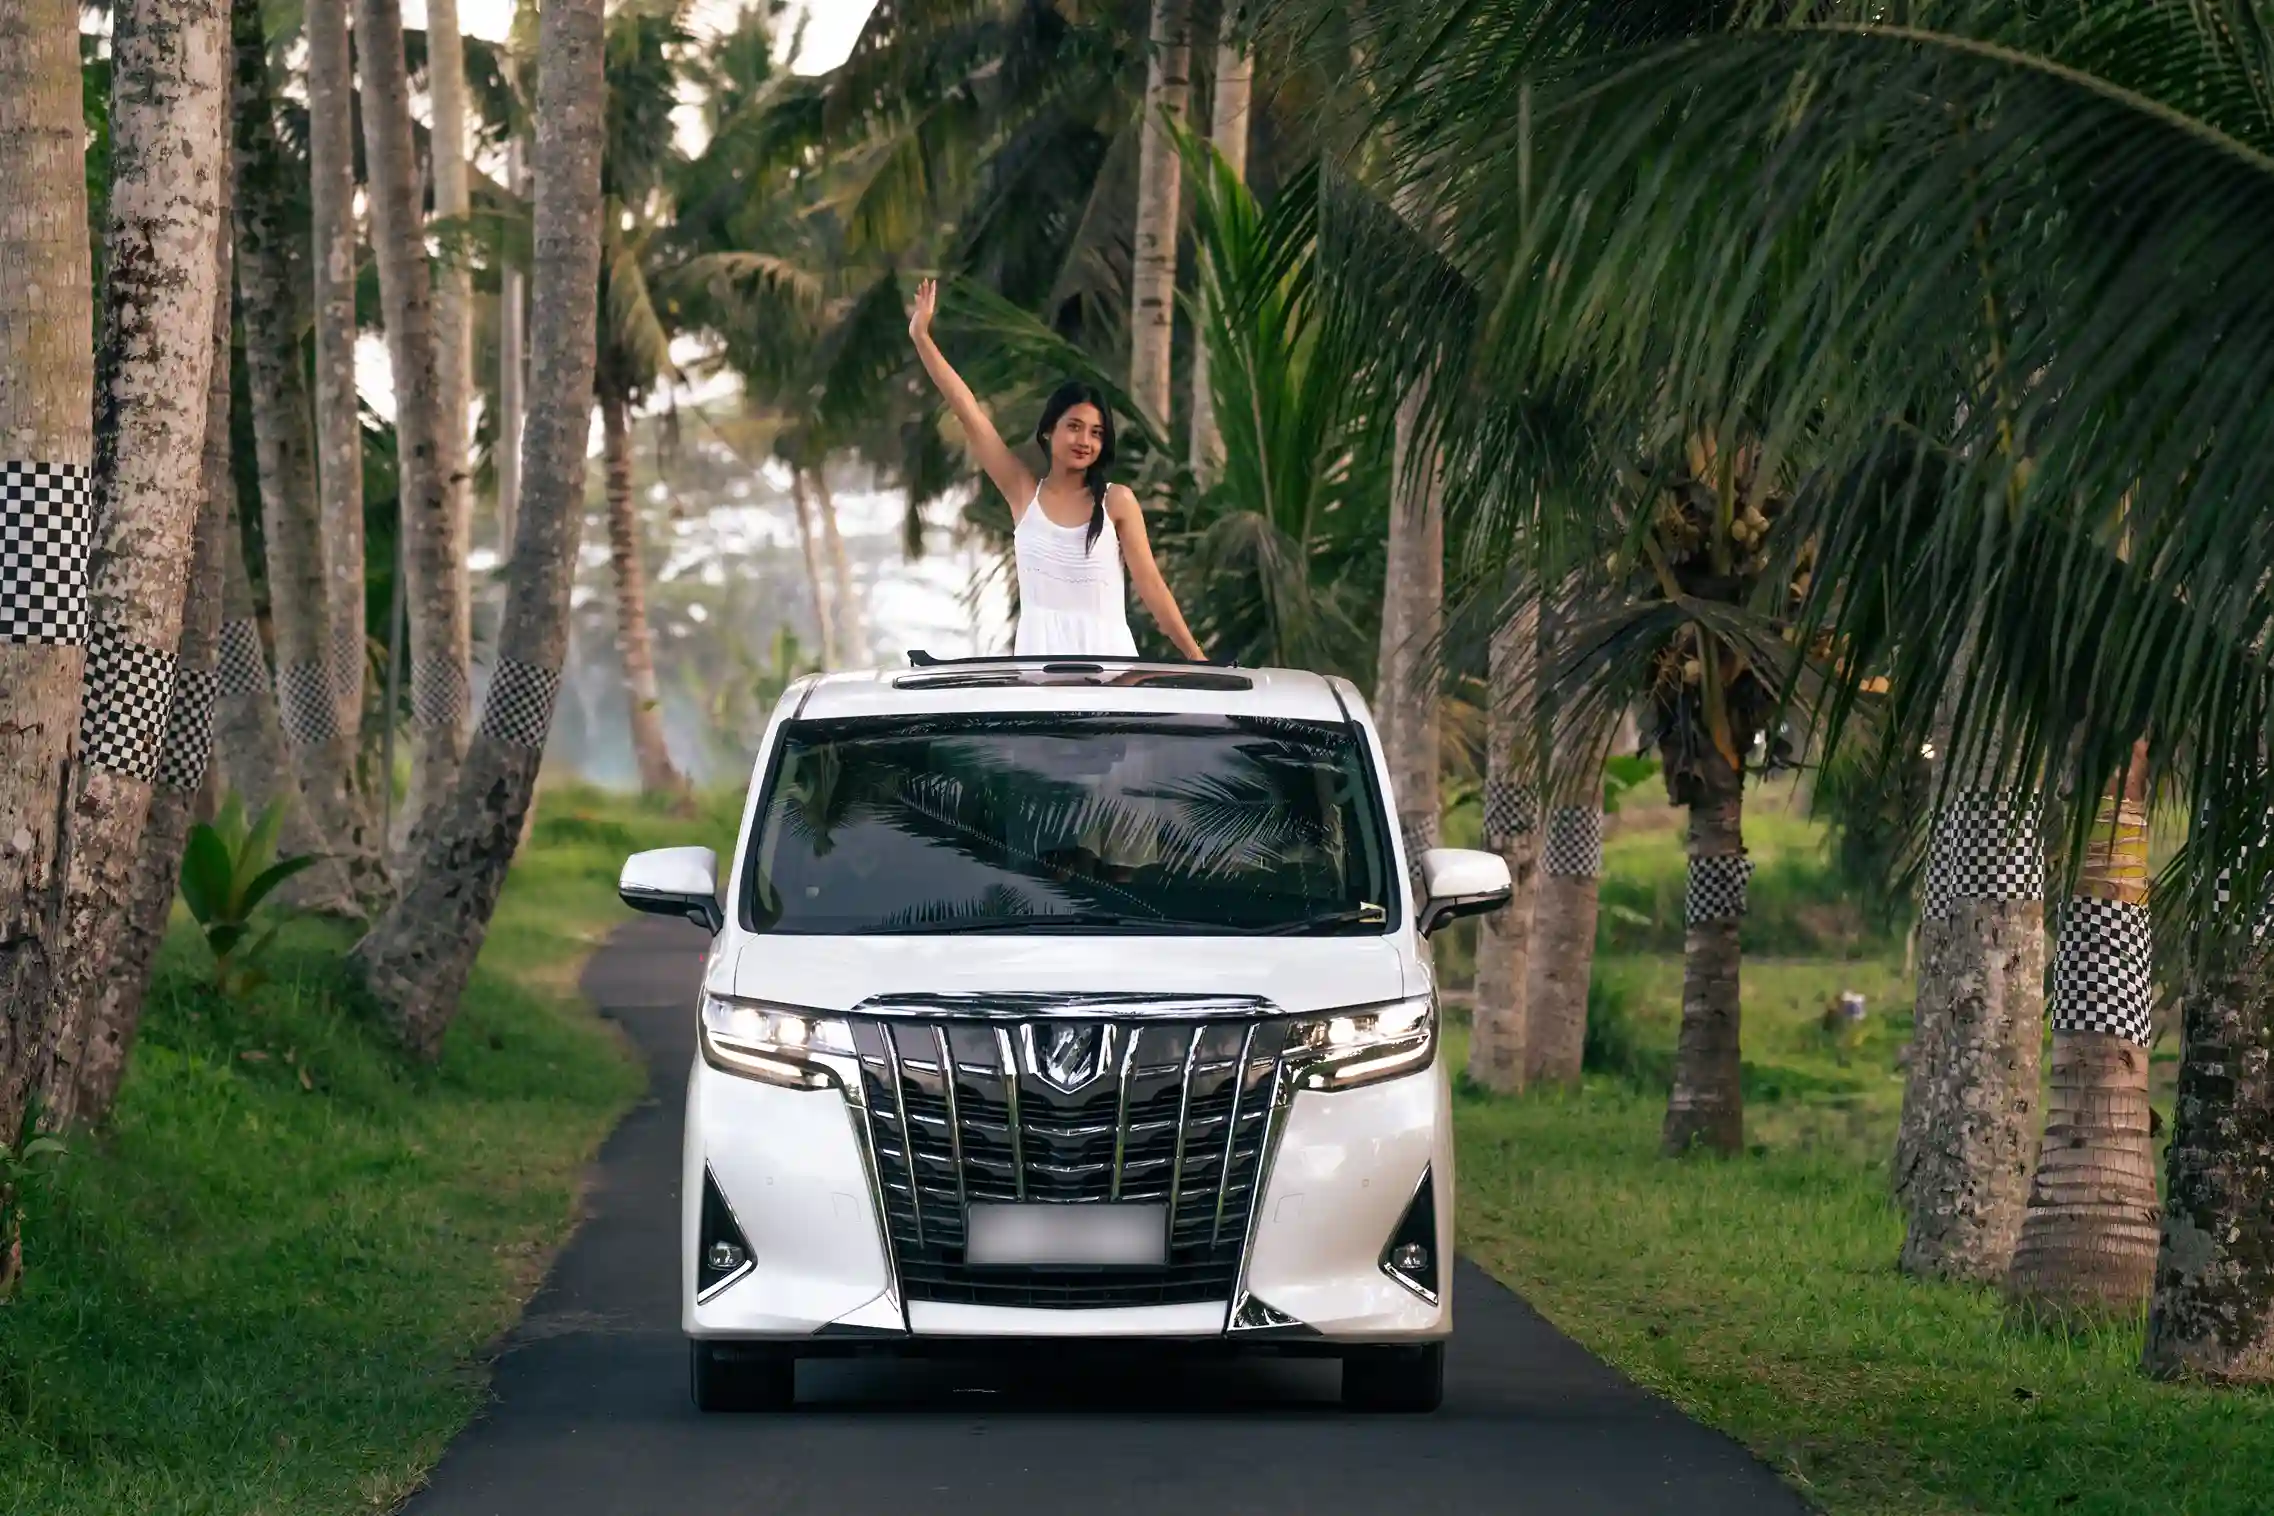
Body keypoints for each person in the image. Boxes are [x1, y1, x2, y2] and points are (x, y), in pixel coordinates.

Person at [907, 278, 1207, 660]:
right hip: (1039, 674)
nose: (1085, 441)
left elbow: (1152, 589)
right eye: (1075, 427)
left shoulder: (1116, 502)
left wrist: (1199, 660)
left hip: (1111, 674)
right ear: (1049, 431)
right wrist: (921, 336)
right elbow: (969, 412)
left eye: (1096, 433)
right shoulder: (1022, 493)